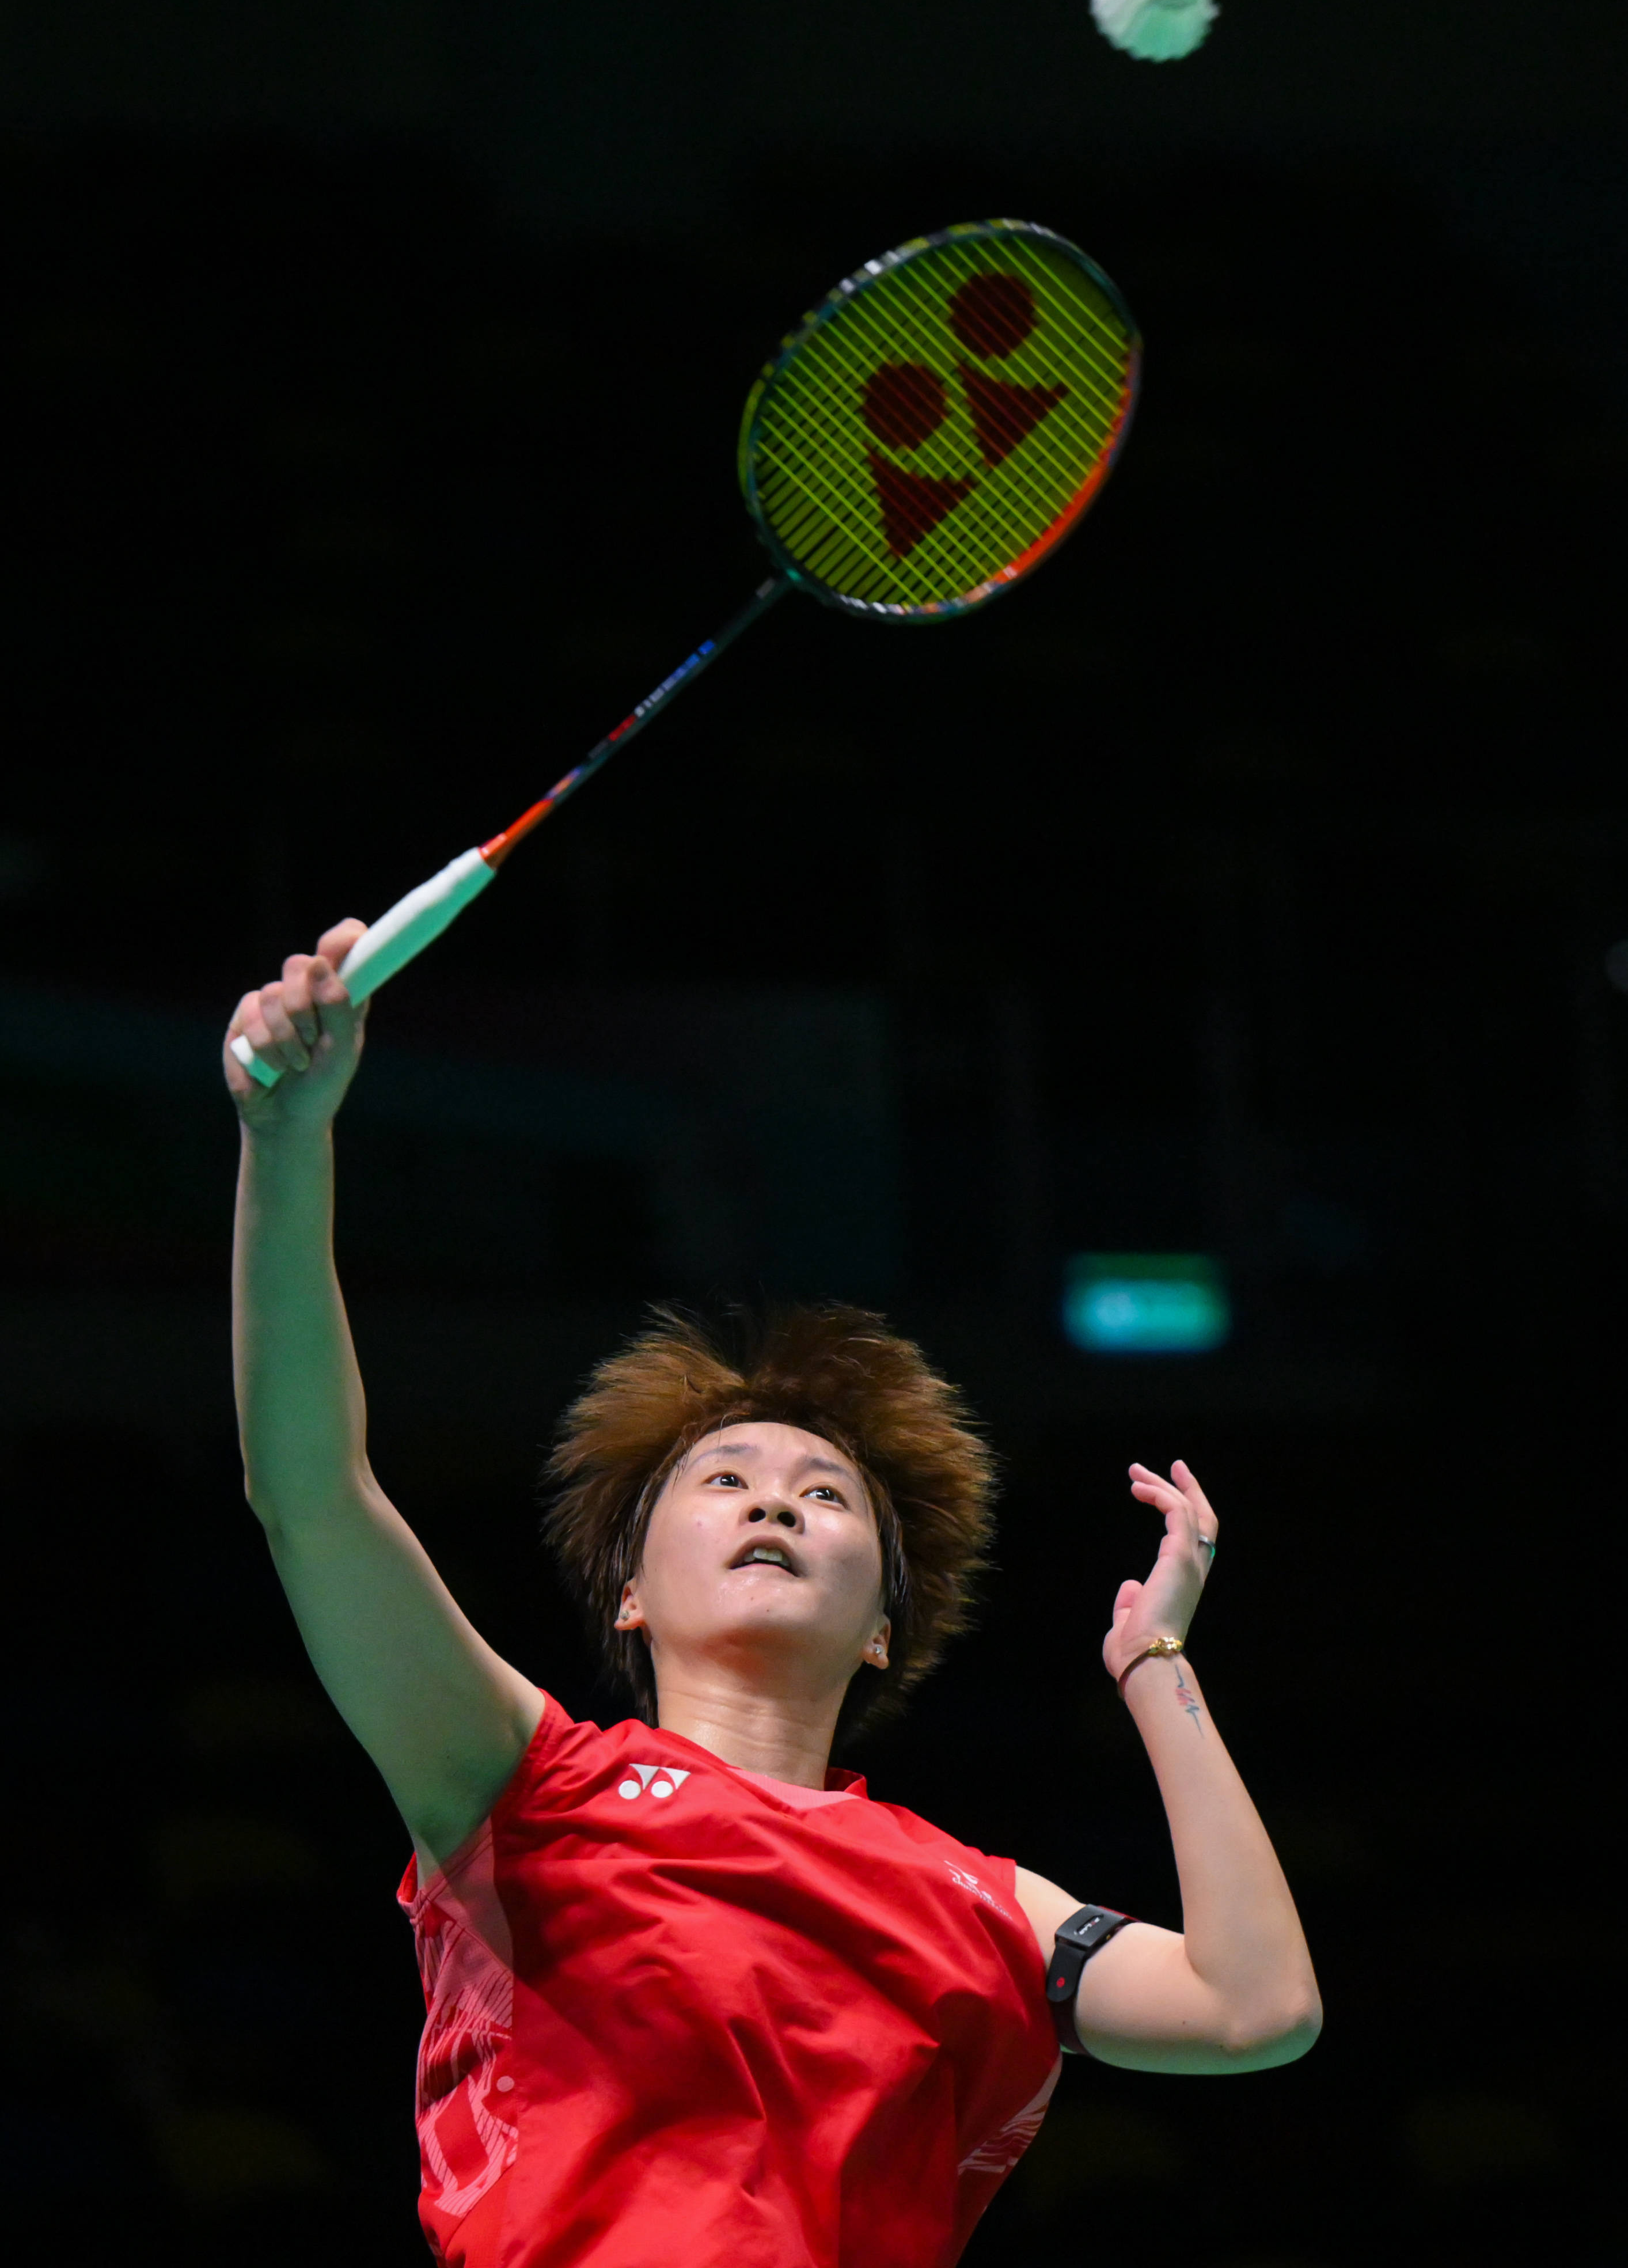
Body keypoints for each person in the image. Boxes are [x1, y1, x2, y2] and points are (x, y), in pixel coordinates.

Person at [226, 922, 1322, 2268]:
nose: (773, 1501)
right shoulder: (528, 1786)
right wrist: (288, 1142)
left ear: (879, 1628)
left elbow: (1253, 2004)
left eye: (824, 1493)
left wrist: (1157, 1662)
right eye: (723, 1478)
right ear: (628, 1592)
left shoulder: (970, 1898)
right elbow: (314, 1494)